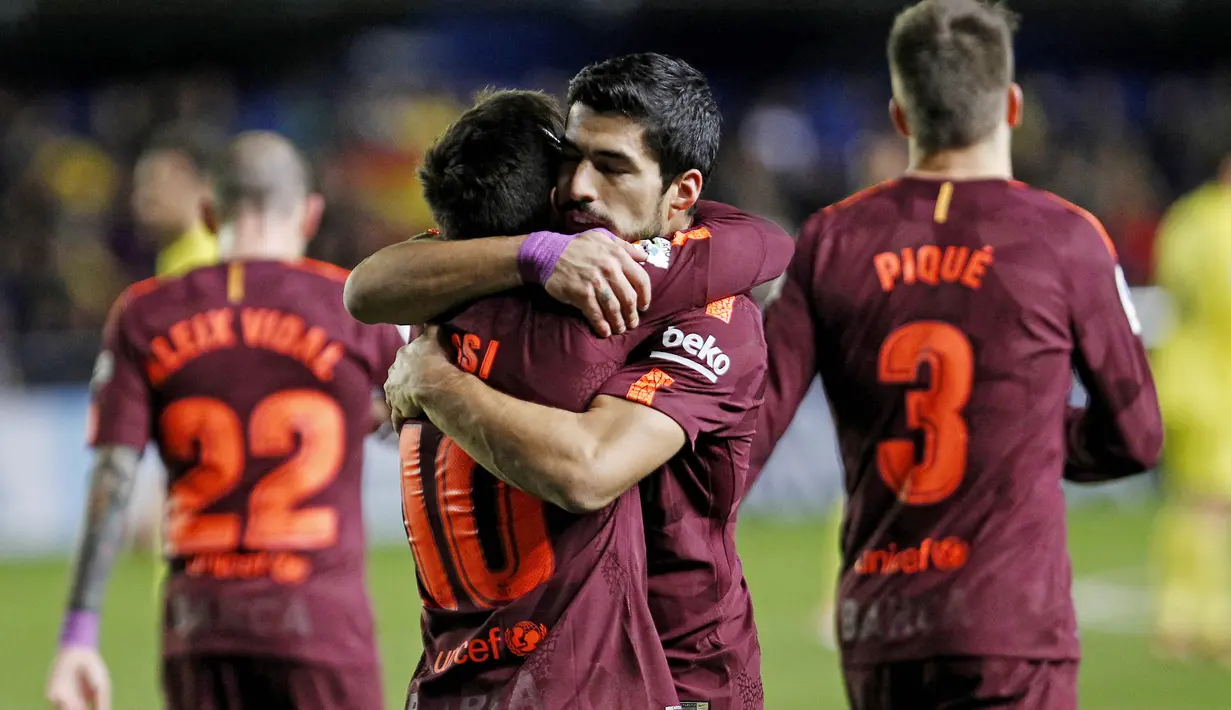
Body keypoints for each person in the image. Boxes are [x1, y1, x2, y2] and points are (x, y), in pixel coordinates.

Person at [748, 1, 1163, 708]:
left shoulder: (828, 241)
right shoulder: (1064, 238)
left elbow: (747, 431)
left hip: (881, 620)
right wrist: (1022, 431)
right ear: (1011, 106)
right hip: (1008, 621)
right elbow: (1136, 436)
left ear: (899, 115)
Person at [375, 54, 781, 710]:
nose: (579, 188)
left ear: (681, 195)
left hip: (678, 677)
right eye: (571, 158)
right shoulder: (527, 267)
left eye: (612, 166)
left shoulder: (711, 316)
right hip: (588, 677)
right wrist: (533, 254)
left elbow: (589, 469)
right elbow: (363, 286)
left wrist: (432, 382)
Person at [45, 132, 403, 710]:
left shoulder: (144, 313)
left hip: (200, 625)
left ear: (208, 214)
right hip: (322, 624)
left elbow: (111, 476)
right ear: (311, 213)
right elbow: (426, 426)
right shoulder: (355, 305)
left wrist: (78, 637)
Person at [1151, 149, 1231, 662]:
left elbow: (1168, 284)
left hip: (1178, 376)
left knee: (1188, 503)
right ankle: (1213, 623)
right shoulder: (1224, 226)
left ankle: (1176, 616)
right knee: (1215, 506)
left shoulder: (1185, 216)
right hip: (1217, 383)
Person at [132, 125, 221, 277]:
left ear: (182, 174)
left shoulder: (207, 260)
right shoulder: (173, 254)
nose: (139, 199)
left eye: (151, 182)